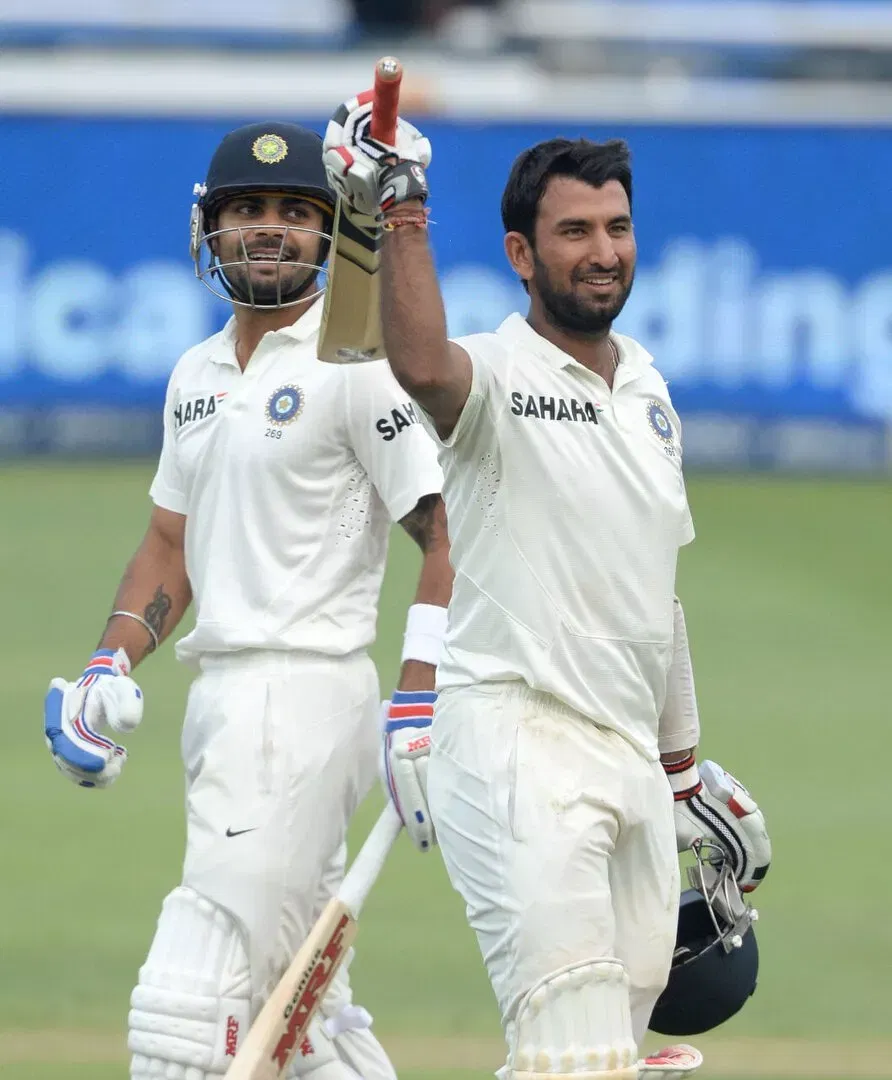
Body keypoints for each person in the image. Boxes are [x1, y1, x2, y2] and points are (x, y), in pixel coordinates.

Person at [322, 110, 772, 1080]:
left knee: (607, 1050)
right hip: (515, 744)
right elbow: (421, 366)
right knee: (573, 1048)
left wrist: (684, 770)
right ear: (521, 254)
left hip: (627, 763)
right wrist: (400, 209)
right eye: (575, 233)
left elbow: (660, 600)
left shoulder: (649, 392)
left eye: (616, 228)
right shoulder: (493, 373)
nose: (602, 252)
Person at [43, 121, 452, 1080]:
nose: (270, 231)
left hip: (304, 699)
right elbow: (169, 544)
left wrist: (420, 694)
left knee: (191, 998)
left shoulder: (356, 365)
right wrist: (112, 661)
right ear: (209, 229)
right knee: (305, 1015)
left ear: (330, 235)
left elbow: (448, 532)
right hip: (222, 709)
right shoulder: (197, 375)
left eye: (296, 213)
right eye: (247, 211)